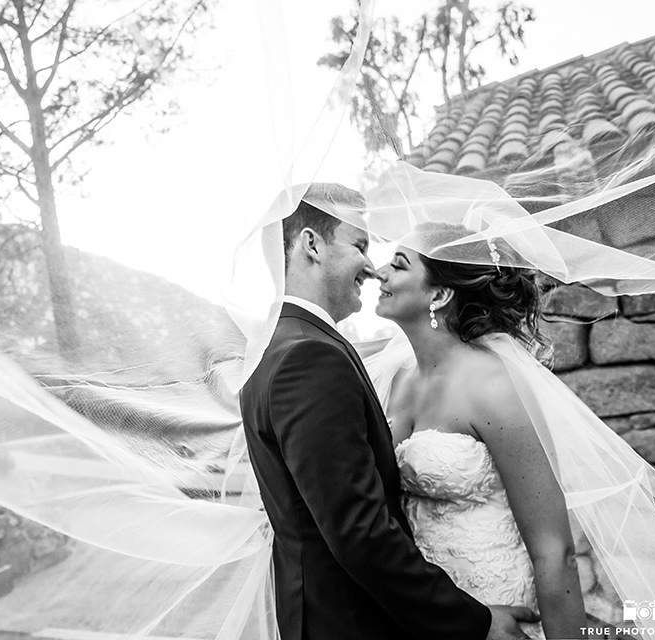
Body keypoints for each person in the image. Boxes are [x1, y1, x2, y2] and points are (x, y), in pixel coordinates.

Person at [239, 185, 538, 640]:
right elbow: (359, 532)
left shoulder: (277, 349)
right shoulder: (310, 358)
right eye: (359, 244)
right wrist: (473, 622)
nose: (370, 265)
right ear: (311, 245)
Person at [370, 221, 586, 639]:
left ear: (439, 294)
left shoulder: (492, 387)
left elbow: (554, 550)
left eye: (398, 265)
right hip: (429, 613)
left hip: (497, 602)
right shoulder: (397, 379)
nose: (380, 272)